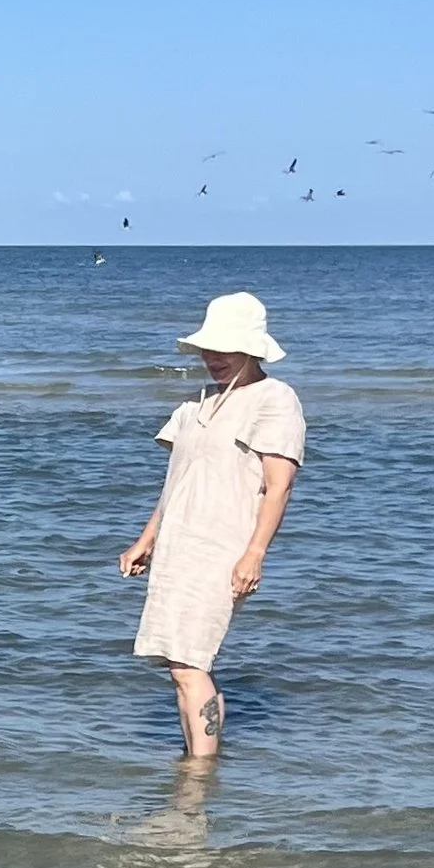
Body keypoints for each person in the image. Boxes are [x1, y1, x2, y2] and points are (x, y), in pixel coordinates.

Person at [117, 292, 305, 759]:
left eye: (225, 349)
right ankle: (199, 761)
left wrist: (255, 553)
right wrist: (147, 540)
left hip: (222, 549)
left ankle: (199, 771)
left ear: (253, 349)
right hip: (179, 546)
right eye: (208, 349)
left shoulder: (275, 400)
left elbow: (278, 486)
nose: (213, 359)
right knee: (179, 664)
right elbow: (176, 484)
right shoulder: (195, 405)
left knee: (189, 662)